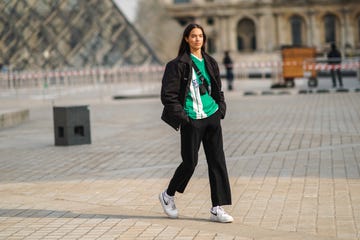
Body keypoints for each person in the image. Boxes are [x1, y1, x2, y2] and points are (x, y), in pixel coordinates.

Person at [159, 23, 233, 223]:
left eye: (200, 36)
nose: (197, 39)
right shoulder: (176, 65)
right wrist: (185, 117)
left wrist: (220, 109)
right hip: (192, 119)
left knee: (217, 162)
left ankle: (217, 208)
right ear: (186, 39)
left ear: (204, 39)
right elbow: (168, 96)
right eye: (193, 36)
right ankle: (168, 194)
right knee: (190, 162)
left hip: (212, 117)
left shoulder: (210, 61)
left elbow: (218, 89)